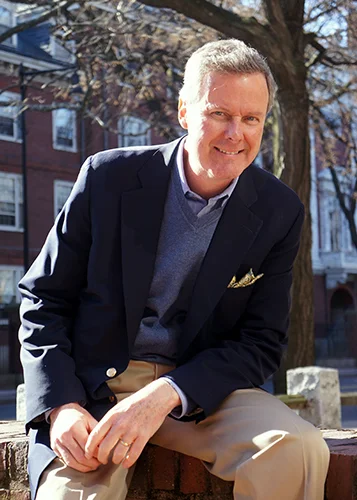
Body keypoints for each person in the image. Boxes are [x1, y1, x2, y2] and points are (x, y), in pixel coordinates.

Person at [18, 39, 330, 500]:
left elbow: (261, 343)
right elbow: (43, 299)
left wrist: (168, 391)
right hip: (94, 391)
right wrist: (60, 405)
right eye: (220, 113)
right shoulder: (107, 177)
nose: (235, 133)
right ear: (184, 112)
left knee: (298, 447)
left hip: (200, 394)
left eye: (251, 119)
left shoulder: (279, 210)